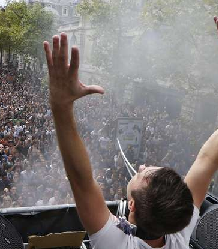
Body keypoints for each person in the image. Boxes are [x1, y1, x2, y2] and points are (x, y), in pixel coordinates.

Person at [43, 30, 218, 249]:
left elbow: (81, 179)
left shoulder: (117, 244)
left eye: (142, 174)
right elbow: (209, 157)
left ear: (132, 205)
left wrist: (60, 103)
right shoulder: (178, 236)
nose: (142, 166)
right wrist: (62, 106)